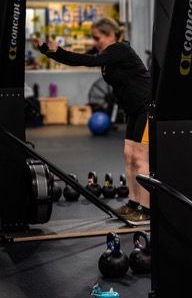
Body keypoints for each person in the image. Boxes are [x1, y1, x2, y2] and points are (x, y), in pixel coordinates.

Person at [33, 17, 152, 223]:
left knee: (141, 159)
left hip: (146, 108)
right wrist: (47, 50)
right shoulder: (107, 53)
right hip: (133, 111)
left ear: (110, 34)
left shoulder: (120, 50)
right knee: (128, 155)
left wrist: (57, 51)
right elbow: (76, 59)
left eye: (97, 37)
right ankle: (133, 202)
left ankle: (147, 208)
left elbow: (88, 61)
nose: (95, 42)